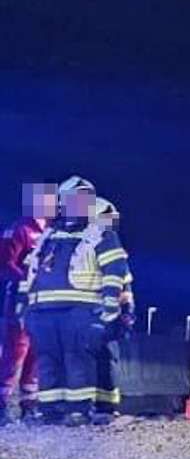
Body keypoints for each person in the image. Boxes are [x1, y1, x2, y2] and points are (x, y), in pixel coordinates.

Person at [22, 177, 135, 424]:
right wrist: (24, 306)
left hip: (81, 310)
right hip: (43, 311)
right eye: (74, 198)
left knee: (77, 359)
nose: (79, 203)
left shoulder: (100, 234)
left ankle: (80, 410)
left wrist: (111, 309)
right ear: (62, 202)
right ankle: (50, 409)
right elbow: (32, 271)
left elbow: (115, 273)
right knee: (48, 360)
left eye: (85, 198)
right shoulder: (49, 235)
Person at [3, 182, 58, 421]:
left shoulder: (54, 231)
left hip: (44, 302)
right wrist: (28, 279)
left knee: (37, 350)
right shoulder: (20, 229)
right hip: (20, 301)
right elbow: (5, 264)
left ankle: (29, 405)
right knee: (16, 351)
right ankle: (2, 404)